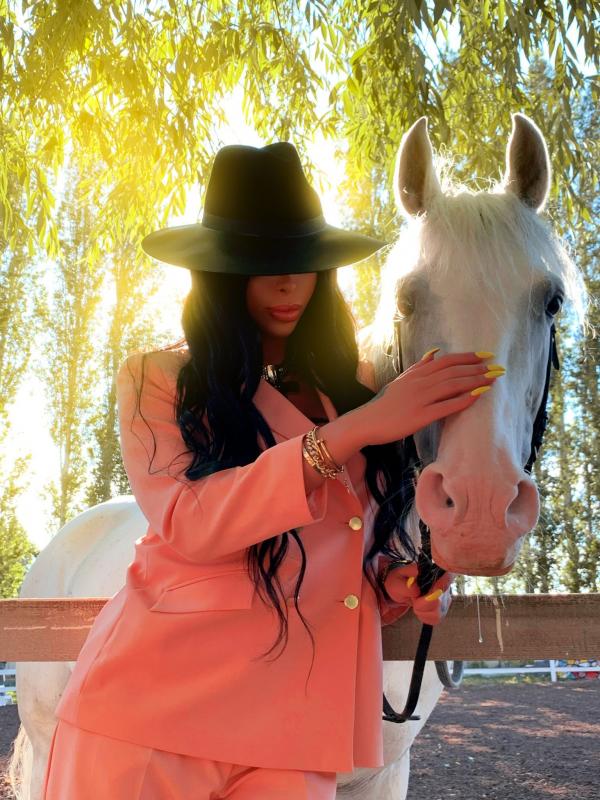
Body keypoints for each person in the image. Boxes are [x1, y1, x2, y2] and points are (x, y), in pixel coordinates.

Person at [42, 143, 499, 799]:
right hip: (150, 713)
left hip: (295, 732)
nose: (287, 283)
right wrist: (354, 431)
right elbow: (191, 523)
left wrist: (397, 583)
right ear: (220, 273)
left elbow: (340, 546)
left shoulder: (356, 391)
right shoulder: (159, 377)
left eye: (302, 260)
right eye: (261, 263)